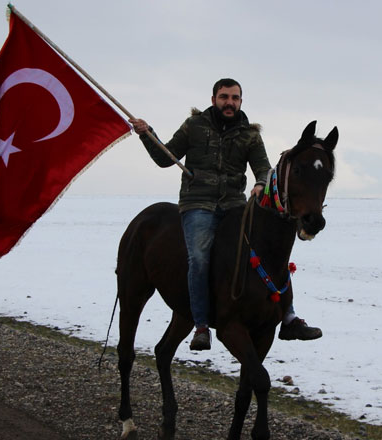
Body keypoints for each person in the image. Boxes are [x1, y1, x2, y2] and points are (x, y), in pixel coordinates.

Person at [129, 78, 322, 351]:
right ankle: (201, 326)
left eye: (234, 97)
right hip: (198, 204)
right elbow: (166, 157)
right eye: (224, 97)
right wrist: (147, 134)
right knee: (198, 256)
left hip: (234, 205)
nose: (229, 102)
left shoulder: (250, 135)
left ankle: (288, 317)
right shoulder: (194, 126)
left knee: (271, 251)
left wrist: (259, 183)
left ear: (241, 102)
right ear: (213, 100)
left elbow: (264, 169)